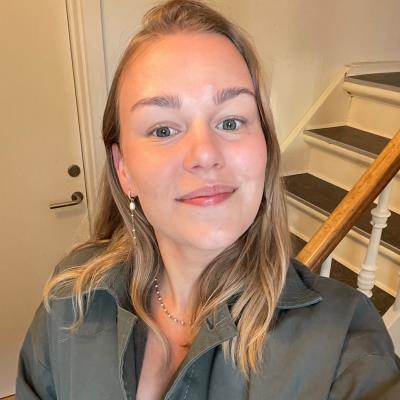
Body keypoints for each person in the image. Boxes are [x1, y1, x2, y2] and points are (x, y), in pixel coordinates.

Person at [16, 0, 400, 399]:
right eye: (163, 130)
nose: (204, 154)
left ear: (265, 148)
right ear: (123, 168)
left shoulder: (344, 344)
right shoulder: (72, 296)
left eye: (231, 122)